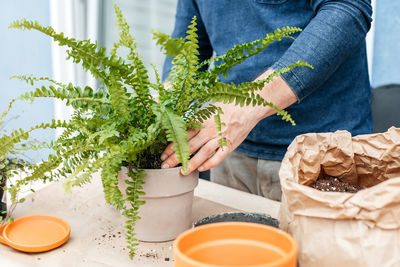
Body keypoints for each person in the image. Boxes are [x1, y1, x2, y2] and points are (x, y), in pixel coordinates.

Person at [160, 0, 373, 201]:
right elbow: (189, 39)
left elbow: (346, 9)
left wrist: (245, 107)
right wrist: (168, 101)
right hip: (229, 155)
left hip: (321, 155)